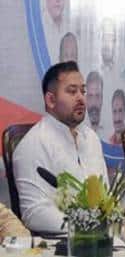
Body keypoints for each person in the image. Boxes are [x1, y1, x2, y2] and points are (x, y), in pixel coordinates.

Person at [13, 61, 107, 233]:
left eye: (83, 91)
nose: (81, 98)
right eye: (72, 91)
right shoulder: (32, 144)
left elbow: (104, 195)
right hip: (61, 242)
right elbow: (34, 213)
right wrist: (83, 227)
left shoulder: (91, 138)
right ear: (50, 100)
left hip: (101, 238)